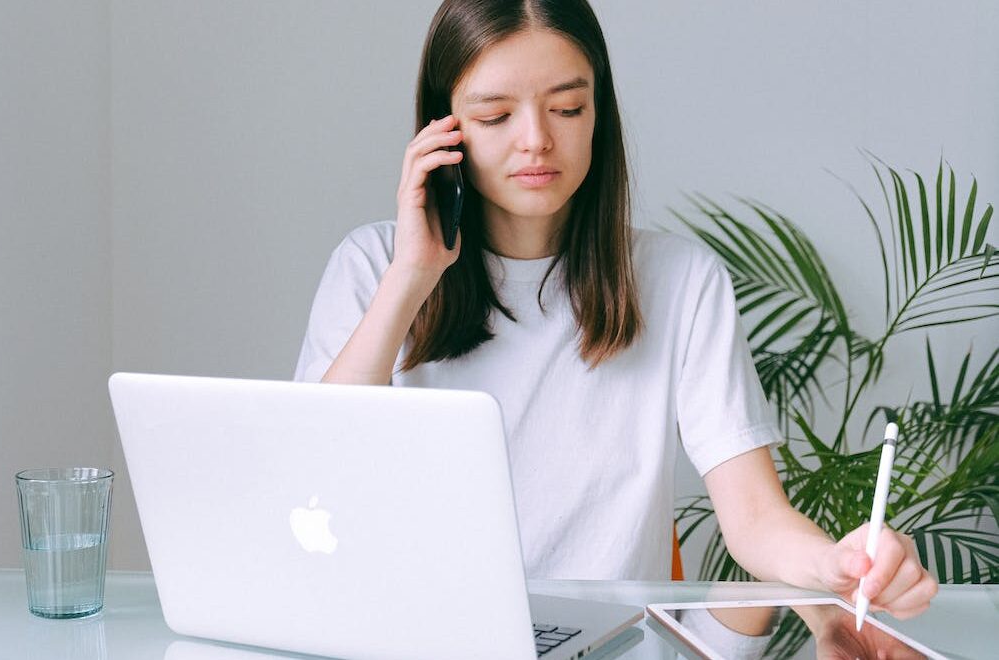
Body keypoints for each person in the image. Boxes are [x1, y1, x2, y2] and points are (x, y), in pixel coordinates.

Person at [294, 0, 937, 621]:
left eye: (567, 107)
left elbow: (755, 519)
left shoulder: (682, 282)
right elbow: (313, 476)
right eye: (495, 117)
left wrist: (835, 563)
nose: (537, 141)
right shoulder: (371, 266)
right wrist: (411, 277)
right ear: (442, 130)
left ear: (597, 113)